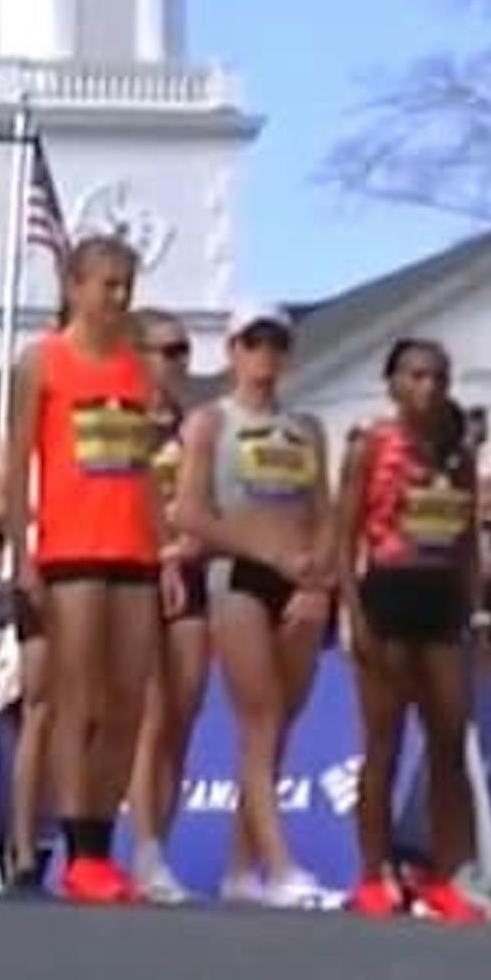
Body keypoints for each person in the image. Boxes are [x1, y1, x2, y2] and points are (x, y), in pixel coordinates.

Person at [0, 235, 163, 907]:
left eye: (126, 285)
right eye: (106, 284)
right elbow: (22, 456)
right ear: (75, 285)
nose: (117, 298)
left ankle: (101, 838)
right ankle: (76, 845)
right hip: (71, 548)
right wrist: (21, 555)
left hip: (135, 548)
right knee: (75, 698)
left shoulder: (136, 370)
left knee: (128, 702)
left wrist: (164, 545)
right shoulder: (45, 363)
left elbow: (142, 466)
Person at [168, 306, 337, 908]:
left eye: (275, 343)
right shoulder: (212, 422)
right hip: (237, 576)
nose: (264, 355)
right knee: (259, 719)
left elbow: (324, 512)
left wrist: (315, 578)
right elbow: (187, 512)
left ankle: (241, 871)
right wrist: (262, 550)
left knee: (278, 729)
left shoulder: (307, 428)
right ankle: (281, 863)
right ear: (233, 351)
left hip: (299, 583)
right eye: (252, 343)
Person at [332, 341, 489, 922]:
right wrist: (351, 613)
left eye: (438, 377)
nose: (428, 387)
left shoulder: (458, 452)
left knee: (449, 740)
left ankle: (447, 875)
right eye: (416, 376)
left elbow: (470, 539)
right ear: (394, 384)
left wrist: (480, 614)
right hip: (389, 594)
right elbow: (344, 537)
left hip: (442, 597)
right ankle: (373, 874)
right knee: (383, 743)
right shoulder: (372, 444)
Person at [122, 312, 206, 903]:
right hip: (137, 569)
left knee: (184, 711)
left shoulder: (193, 425)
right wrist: (161, 555)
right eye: (167, 351)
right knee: (150, 714)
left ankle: (162, 848)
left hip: (192, 566)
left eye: (184, 352)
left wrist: (189, 547)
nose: (178, 364)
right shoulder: (123, 419)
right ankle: (143, 847)